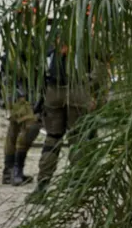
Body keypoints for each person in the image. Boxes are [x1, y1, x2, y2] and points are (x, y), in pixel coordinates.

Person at [28, 39, 109, 203]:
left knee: (52, 138)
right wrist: (90, 91)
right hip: (77, 92)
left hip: (53, 92)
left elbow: (39, 71)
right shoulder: (84, 38)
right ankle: (77, 188)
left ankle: (41, 187)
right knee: (77, 138)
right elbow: (99, 72)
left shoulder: (50, 42)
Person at [0, 50, 43, 187]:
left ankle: (10, 171)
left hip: (21, 91)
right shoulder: (18, 37)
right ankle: (15, 170)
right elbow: (19, 69)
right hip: (18, 91)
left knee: (15, 128)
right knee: (31, 126)